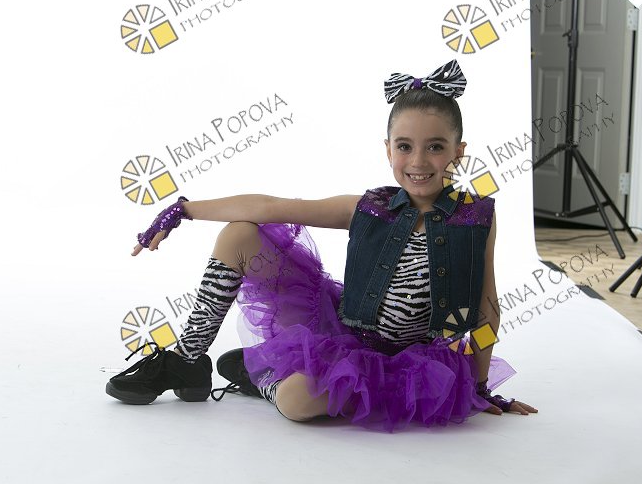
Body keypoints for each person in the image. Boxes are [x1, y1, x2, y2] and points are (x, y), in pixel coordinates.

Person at [105, 59, 538, 433]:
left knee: (297, 403)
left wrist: (479, 386)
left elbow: (487, 308)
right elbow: (272, 206)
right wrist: (183, 210)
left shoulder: (476, 218)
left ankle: (262, 376)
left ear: (458, 151)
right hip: (344, 333)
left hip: (413, 360)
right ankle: (187, 360)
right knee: (238, 234)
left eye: (436, 147)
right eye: (405, 147)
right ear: (388, 150)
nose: (419, 161)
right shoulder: (368, 208)